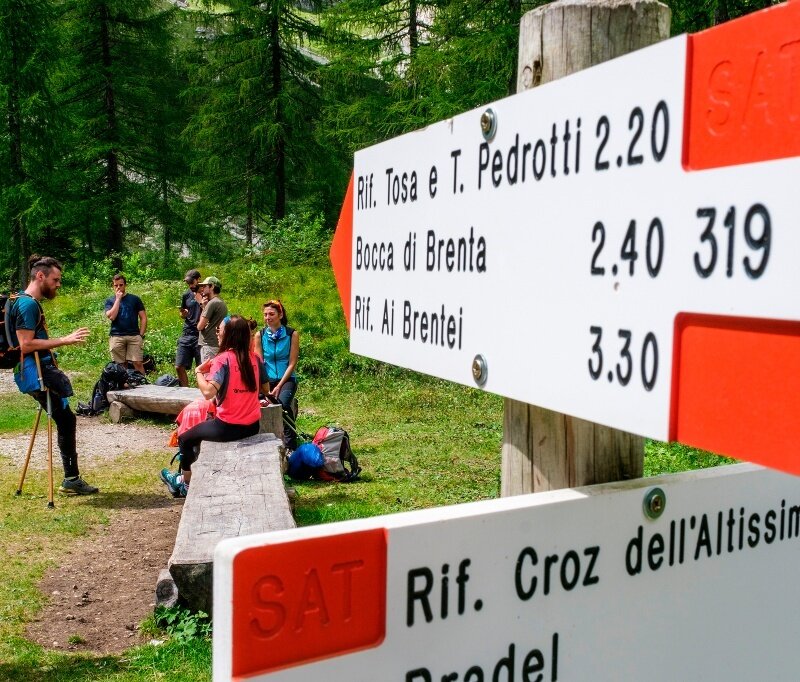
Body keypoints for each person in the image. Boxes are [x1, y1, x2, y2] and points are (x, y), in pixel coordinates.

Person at [9, 255, 98, 495]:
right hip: (36, 373)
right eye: (55, 279)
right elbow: (25, 344)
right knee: (66, 419)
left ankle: (72, 478)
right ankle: (71, 479)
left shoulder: (20, 299)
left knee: (65, 418)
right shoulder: (27, 304)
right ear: (40, 276)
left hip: (33, 372)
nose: (58, 284)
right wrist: (65, 340)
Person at [160, 315, 268, 498]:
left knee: (185, 438)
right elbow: (265, 389)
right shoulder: (255, 359)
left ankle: (185, 484)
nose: (217, 334)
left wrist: (198, 373)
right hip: (252, 426)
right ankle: (185, 479)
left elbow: (208, 392)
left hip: (227, 427)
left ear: (230, 335)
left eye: (220, 330)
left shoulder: (223, 359)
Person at [255, 299, 299, 449]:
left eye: (271, 314)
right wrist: (264, 387)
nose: (268, 317)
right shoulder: (259, 335)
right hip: (266, 379)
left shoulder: (291, 334)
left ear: (280, 315)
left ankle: (290, 444)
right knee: (258, 404)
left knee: (283, 405)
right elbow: (259, 363)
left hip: (287, 378)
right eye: (265, 314)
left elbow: (292, 363)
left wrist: (280, 385)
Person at [104, 274, 147, 374]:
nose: (118, 287)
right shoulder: (110, 301)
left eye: (121, 285)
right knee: (121, 366)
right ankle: (124, 386)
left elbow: (143, 317)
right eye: (116, 285)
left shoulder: (135, 299)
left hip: (134, 336)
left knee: (137, 363)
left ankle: (144, 385)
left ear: (125, 285)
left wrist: (141, 335)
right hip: (116, 336)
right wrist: (118, 299)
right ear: (113, 286)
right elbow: (111, 316)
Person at [175, 268, 202, 387]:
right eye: (188, 283)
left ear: (198, 280)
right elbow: (182, 313)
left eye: (192, 282)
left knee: (201, 368)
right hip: (187, 333)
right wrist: (183, 314)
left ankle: (201, 394)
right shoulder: (186, 295)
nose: (190, 285)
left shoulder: (206, 294)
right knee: (178, 366)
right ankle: (185, 391)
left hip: (201, 335)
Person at [195, 276, 227, 363]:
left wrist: (202, 305)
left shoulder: (212, 303)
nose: (202, 289)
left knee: (207, 374)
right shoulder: (221, 303)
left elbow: (200, 326)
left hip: (209, 345)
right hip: (217, 343)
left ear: (212, 286)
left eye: (205, 286)